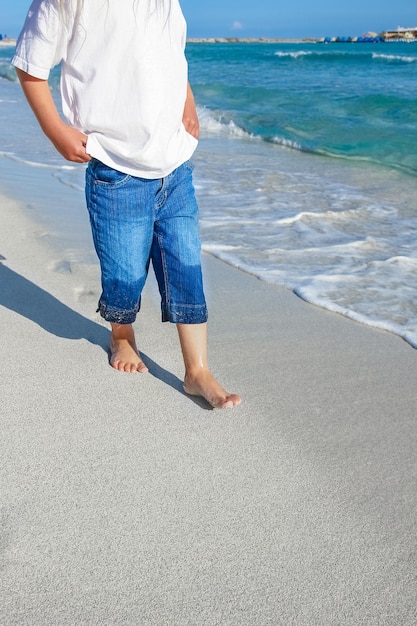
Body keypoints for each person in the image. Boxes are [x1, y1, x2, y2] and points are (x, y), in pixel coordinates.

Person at [12, 0, 241, 409]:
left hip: (174, 163)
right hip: (115, 167)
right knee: (124, 270)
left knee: (186, 264)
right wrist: (56, 131)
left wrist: (187, 102)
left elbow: (173, 54)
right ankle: (121, 335)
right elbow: (30, 64)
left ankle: (197, 370)